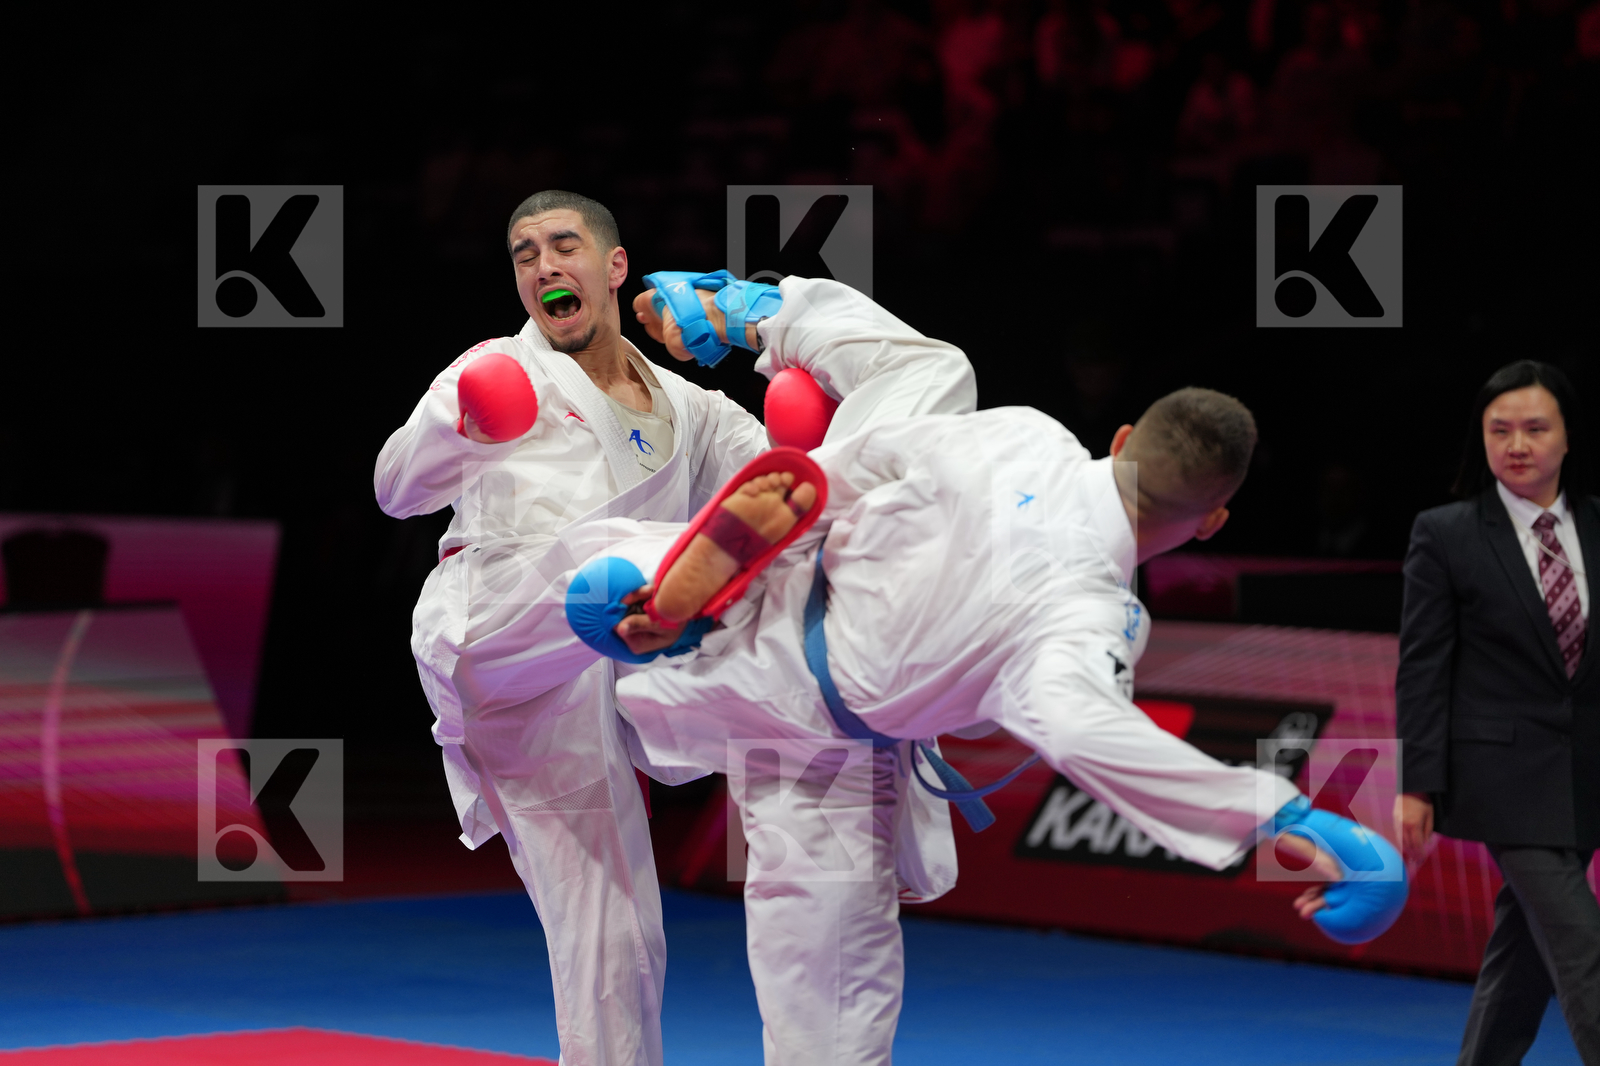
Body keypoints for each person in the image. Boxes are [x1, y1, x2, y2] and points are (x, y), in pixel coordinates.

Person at [560, 281, 1408, 1065]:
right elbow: (1094, 738)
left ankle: (740, 316)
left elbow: (879, 456)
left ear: (1120, 441)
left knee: (933, 372)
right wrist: (1287, 818)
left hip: (786, 574)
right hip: (820, 744)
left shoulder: (1027, 434)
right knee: (832, 1023)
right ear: (1213, 520)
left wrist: (821, 480)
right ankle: (699, 589)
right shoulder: (1089, 618)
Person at [374, 199, 975, 1065]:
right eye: (524, 254)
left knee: (616, 941)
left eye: (563, 246)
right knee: (610, 559)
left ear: (615, 267)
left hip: (615, 659)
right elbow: (395, 490)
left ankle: (887, 785)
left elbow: (781, 490)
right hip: (496, 629)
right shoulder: (495, 365)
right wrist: (459, 422)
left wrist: (812, 443)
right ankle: (680, 582)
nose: (543, 266)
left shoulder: (693, 410)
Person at [1395, 360, 1599, 1065]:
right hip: (1502, 780)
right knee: (1583, 948)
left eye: (1535, 428)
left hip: (1584, 773)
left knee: (1523, 956)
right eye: (1499, 430)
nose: (1516, 445)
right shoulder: (1445, 532)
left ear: (1567, 437)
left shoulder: (1598, 525)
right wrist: (1418, 783)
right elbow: (1423, 668)